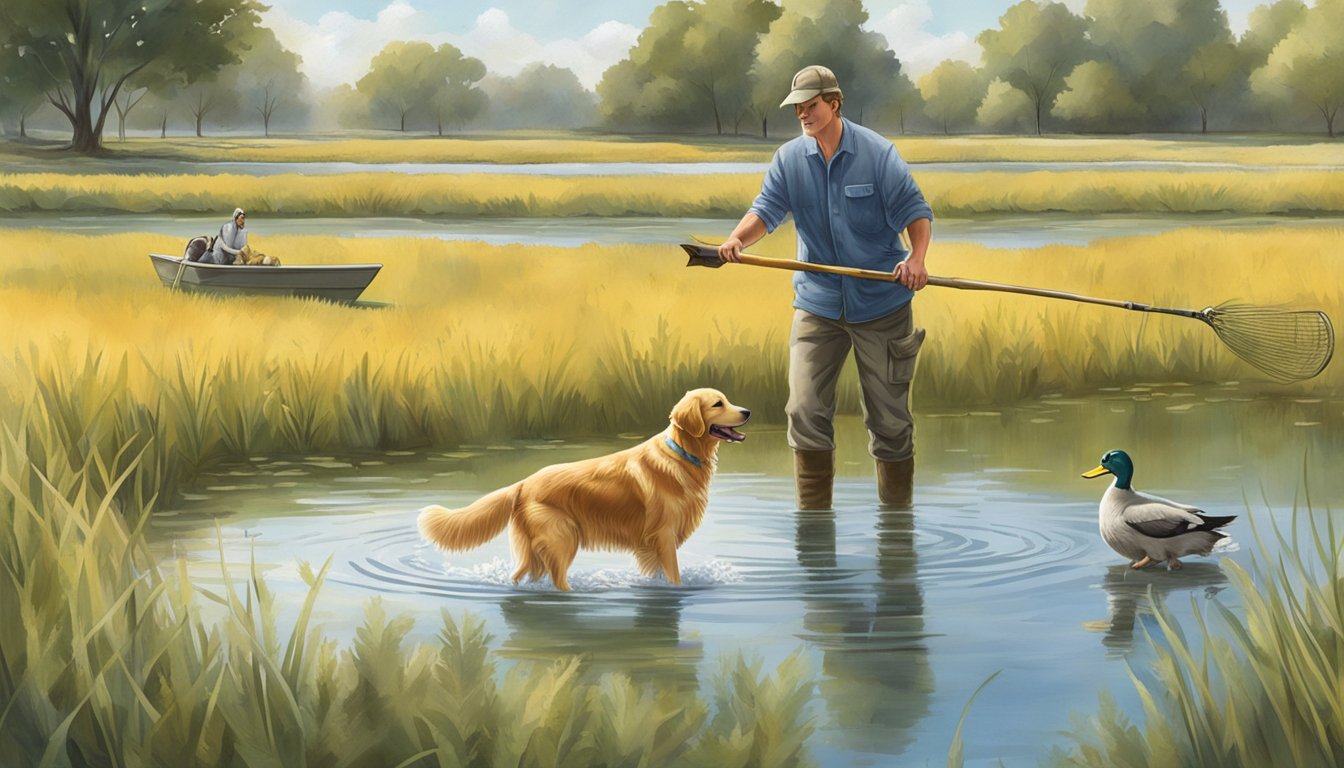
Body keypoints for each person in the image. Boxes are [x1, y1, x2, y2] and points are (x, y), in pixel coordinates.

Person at [717, 64, 933, 510]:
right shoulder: (789, 159)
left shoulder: (878, 153)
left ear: (834, 103)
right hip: (817, 304)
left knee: (890, 422)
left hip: (882, 305)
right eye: (797, 107)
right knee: (804, 411)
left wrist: (915, 260)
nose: (802, 114)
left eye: (810, 105)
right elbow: (766, 210)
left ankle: (897, 529)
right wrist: (738, 237)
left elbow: (916, 212)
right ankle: (814, 533)